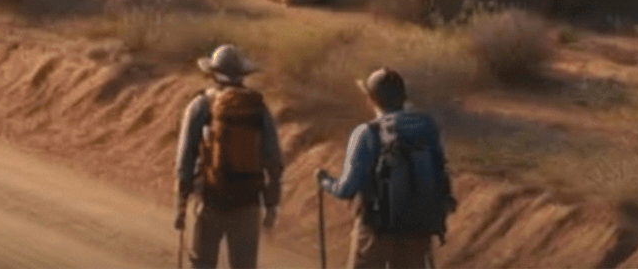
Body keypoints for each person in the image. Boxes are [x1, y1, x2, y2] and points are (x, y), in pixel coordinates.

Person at [317, 69, 457, 269]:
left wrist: (324, 181)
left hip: (376, 230)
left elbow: (347, 189)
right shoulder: (427, 127)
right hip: (418, 230)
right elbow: (441, 171)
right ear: (404, 96)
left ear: (370, 99)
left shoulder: (366, 132)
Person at [174, 44, 283, 269]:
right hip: (248, 201)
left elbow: (185, 157)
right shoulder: (258, 108)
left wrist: (181, 204)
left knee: (203, 264)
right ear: (243, 74)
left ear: (213, 73)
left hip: (210, 199)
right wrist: (271, 204)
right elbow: (273, 160)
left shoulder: (201, 105)